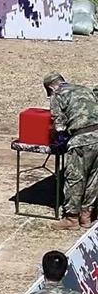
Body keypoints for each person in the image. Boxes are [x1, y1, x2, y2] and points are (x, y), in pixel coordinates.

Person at [44, 73, 98, 229]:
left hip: (81, 139)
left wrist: (57, 139)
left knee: (75, 178)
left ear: (50, 87)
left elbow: (59, 124)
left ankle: (72, 218)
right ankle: (86, 216)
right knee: (94, 178)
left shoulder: (58, 94)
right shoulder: (84, 89)